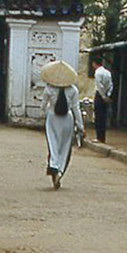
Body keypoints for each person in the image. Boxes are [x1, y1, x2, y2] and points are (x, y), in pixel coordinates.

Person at [39, 60, 84, 190]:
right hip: (67, 119)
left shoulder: (49, 89)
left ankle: (54, 165)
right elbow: (76, 108)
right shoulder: (73, 90)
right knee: (65, 146)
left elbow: (43, 106)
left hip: (53, 118)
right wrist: (80, 126)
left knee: (53, 144)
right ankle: (60, 170)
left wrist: (44, 113)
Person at [91, 56, 113, 143]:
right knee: (103, 117)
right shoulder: (108, 72)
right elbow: (111, 85)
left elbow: (99, 86)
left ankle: (99, 137)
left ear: (94, 63)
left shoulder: (97, 73)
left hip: (99, 95)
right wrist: (108, 95)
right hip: (106, 94)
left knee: (98, 117)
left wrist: (103, 96)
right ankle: (103, 137)